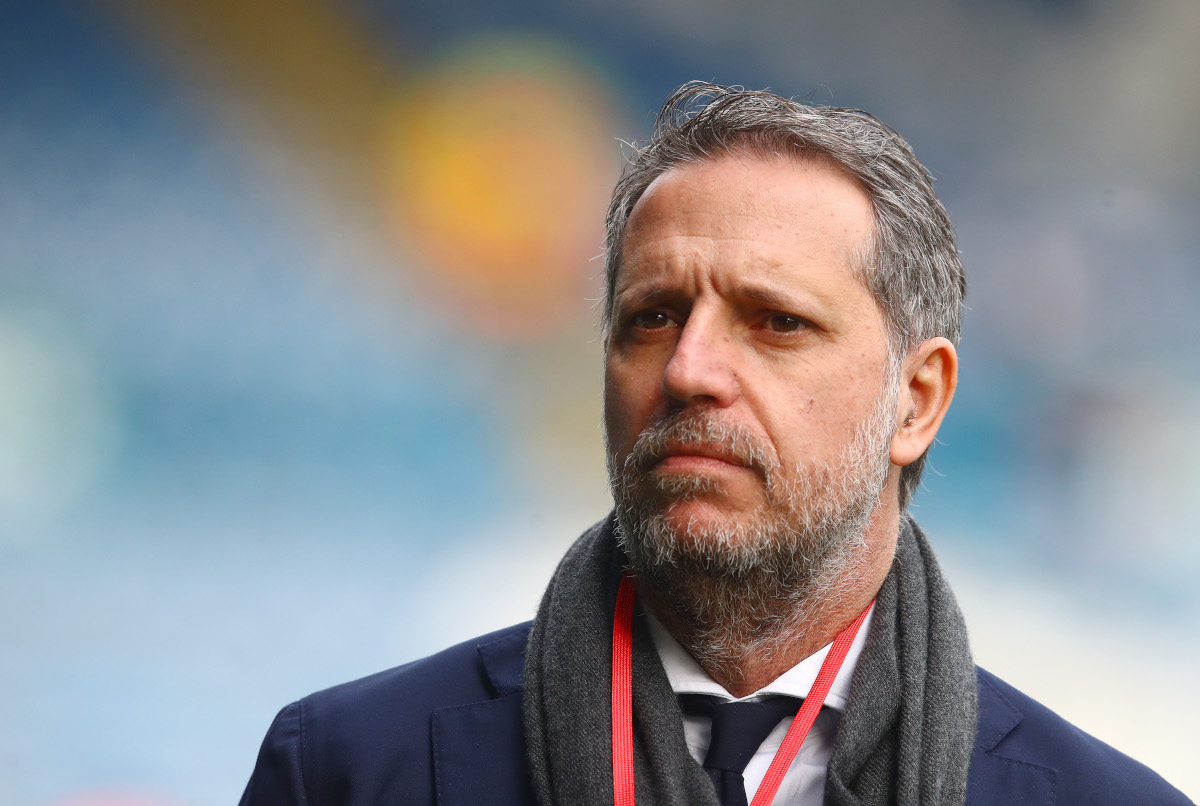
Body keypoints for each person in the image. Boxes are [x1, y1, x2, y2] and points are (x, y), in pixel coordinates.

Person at [238, 82, 1193, 806]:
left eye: (776, 322)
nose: (689, 368)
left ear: (917, 401)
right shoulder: (347, 771)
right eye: (652, 316)